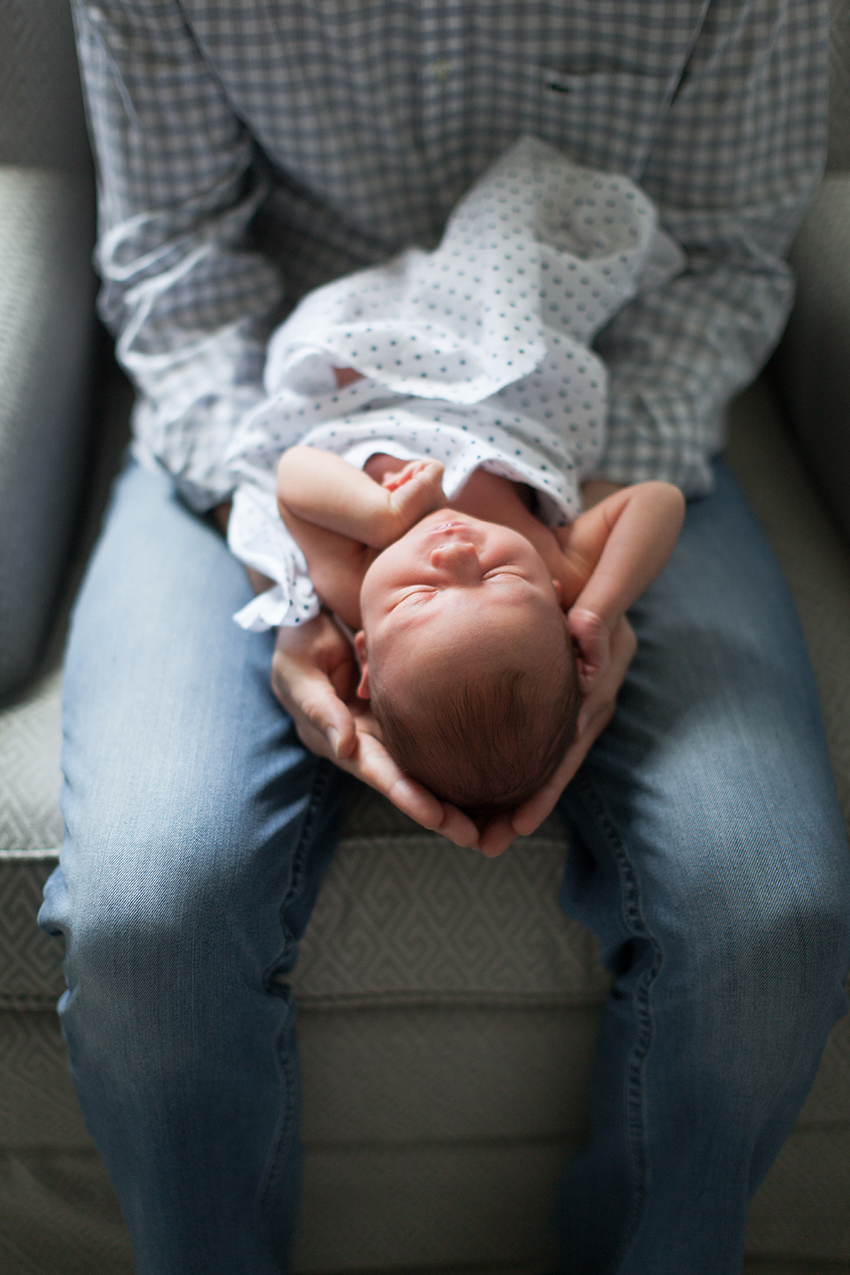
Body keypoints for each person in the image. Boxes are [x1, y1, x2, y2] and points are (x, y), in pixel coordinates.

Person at [38, 3, 850, 1274]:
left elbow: (718, 263)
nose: (453, 568)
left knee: (768, 920)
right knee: (153, 918)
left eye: (435, 599)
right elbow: (176, 272)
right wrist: (299, 568)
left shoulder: (473, 559)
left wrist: (553, 570)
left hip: (593, 396)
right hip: (262, 403)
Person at [274, 446, 684, 811]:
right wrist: (598, 612)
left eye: (419, 595)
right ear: (559, 605)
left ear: (364, 654)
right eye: (499, 575)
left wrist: (383, 517)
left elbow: (293, 469)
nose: (456, 553)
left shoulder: (353, 582)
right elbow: (659, 501)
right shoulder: (559, 566)